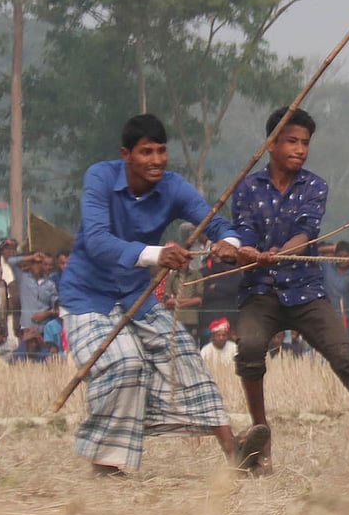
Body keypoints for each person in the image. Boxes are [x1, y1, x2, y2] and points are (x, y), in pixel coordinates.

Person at [58, 113, 267, 477]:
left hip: (138, 299)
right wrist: (157, 255)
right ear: (126, 154)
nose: (156, 160)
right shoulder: (100, 178)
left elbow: (217, 222)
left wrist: (229, 243)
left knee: (186, 359)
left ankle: (236, 455)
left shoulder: (173, 186)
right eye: (146, 152)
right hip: (88, 298)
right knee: (125, 364)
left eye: (161, 151)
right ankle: (105, 465)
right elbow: (96, 240)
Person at [231, 107, 349, 476]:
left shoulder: (315, 186)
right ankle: (260, 443)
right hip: (260, 291)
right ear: (271, 145)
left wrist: (281, 253)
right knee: (251, 348)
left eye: (305, 143)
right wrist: (243, 249)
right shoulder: (247, 187)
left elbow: (306, 235)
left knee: (345, 358)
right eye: (291, 141)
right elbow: (244, 232)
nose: (300, 149)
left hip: (306, 291)